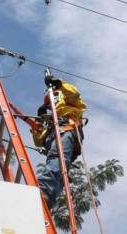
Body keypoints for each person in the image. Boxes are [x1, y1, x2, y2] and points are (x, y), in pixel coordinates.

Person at [32, 76, 87, 209]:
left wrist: (59, 84)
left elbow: (73, 93)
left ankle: (42, 189)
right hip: (55, 134)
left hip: (66, 131)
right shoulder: (50, 120)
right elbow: (39, 141)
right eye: (49, 103)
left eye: (54, 98)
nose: (52, 102)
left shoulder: (70, 102)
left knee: (57, 158)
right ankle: (47, 200)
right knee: (59, 168)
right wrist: (39, 123)